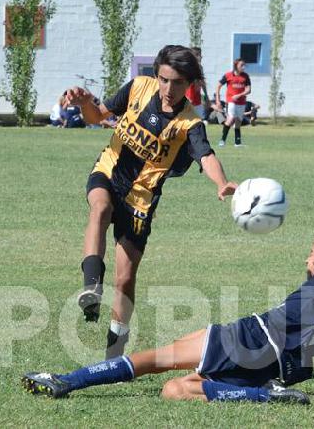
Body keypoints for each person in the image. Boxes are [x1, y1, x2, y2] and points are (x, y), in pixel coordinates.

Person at [22, 190, 314, 404]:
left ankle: (65, 381)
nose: (308, 255)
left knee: (151, 360)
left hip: (248, 339)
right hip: (270, 368)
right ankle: (261, 392)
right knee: (175, 391)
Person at [62, 45, 238, 358]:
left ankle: (114, 356)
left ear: (190, 85)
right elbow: (97, 116)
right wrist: (83, 103)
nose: (169, 88)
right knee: (99, 208)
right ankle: (91, 286)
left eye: (178, 82)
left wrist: (222, 183)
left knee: (126, 279)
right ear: (156, 75)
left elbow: (206, 156)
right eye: (164, 79)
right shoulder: (138, 87)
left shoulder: (189, 123)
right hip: (109, 169)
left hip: (141, 198)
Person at [214, 58, 251, 147]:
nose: (243, 67)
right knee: (231, 118)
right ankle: (222, 140)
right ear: (236, 66)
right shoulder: (228, 75)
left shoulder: (245, 76)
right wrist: (217, 100)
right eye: (241, 65)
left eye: (244, 65)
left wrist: (239, 95)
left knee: (238, 121)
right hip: (231, 102)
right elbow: (218, 86)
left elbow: (248, 90)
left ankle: (237, 143)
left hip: (241, 102)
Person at [185, 47, 209, 123]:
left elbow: (202, 82)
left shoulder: (200, 67)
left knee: (199, 121)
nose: (200, 56)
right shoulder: (188, 67)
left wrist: (206, 95)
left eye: (200, 54)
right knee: (188, 121)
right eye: (198, 55)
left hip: (197, 98)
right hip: (189, 98)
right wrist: (187, 97)